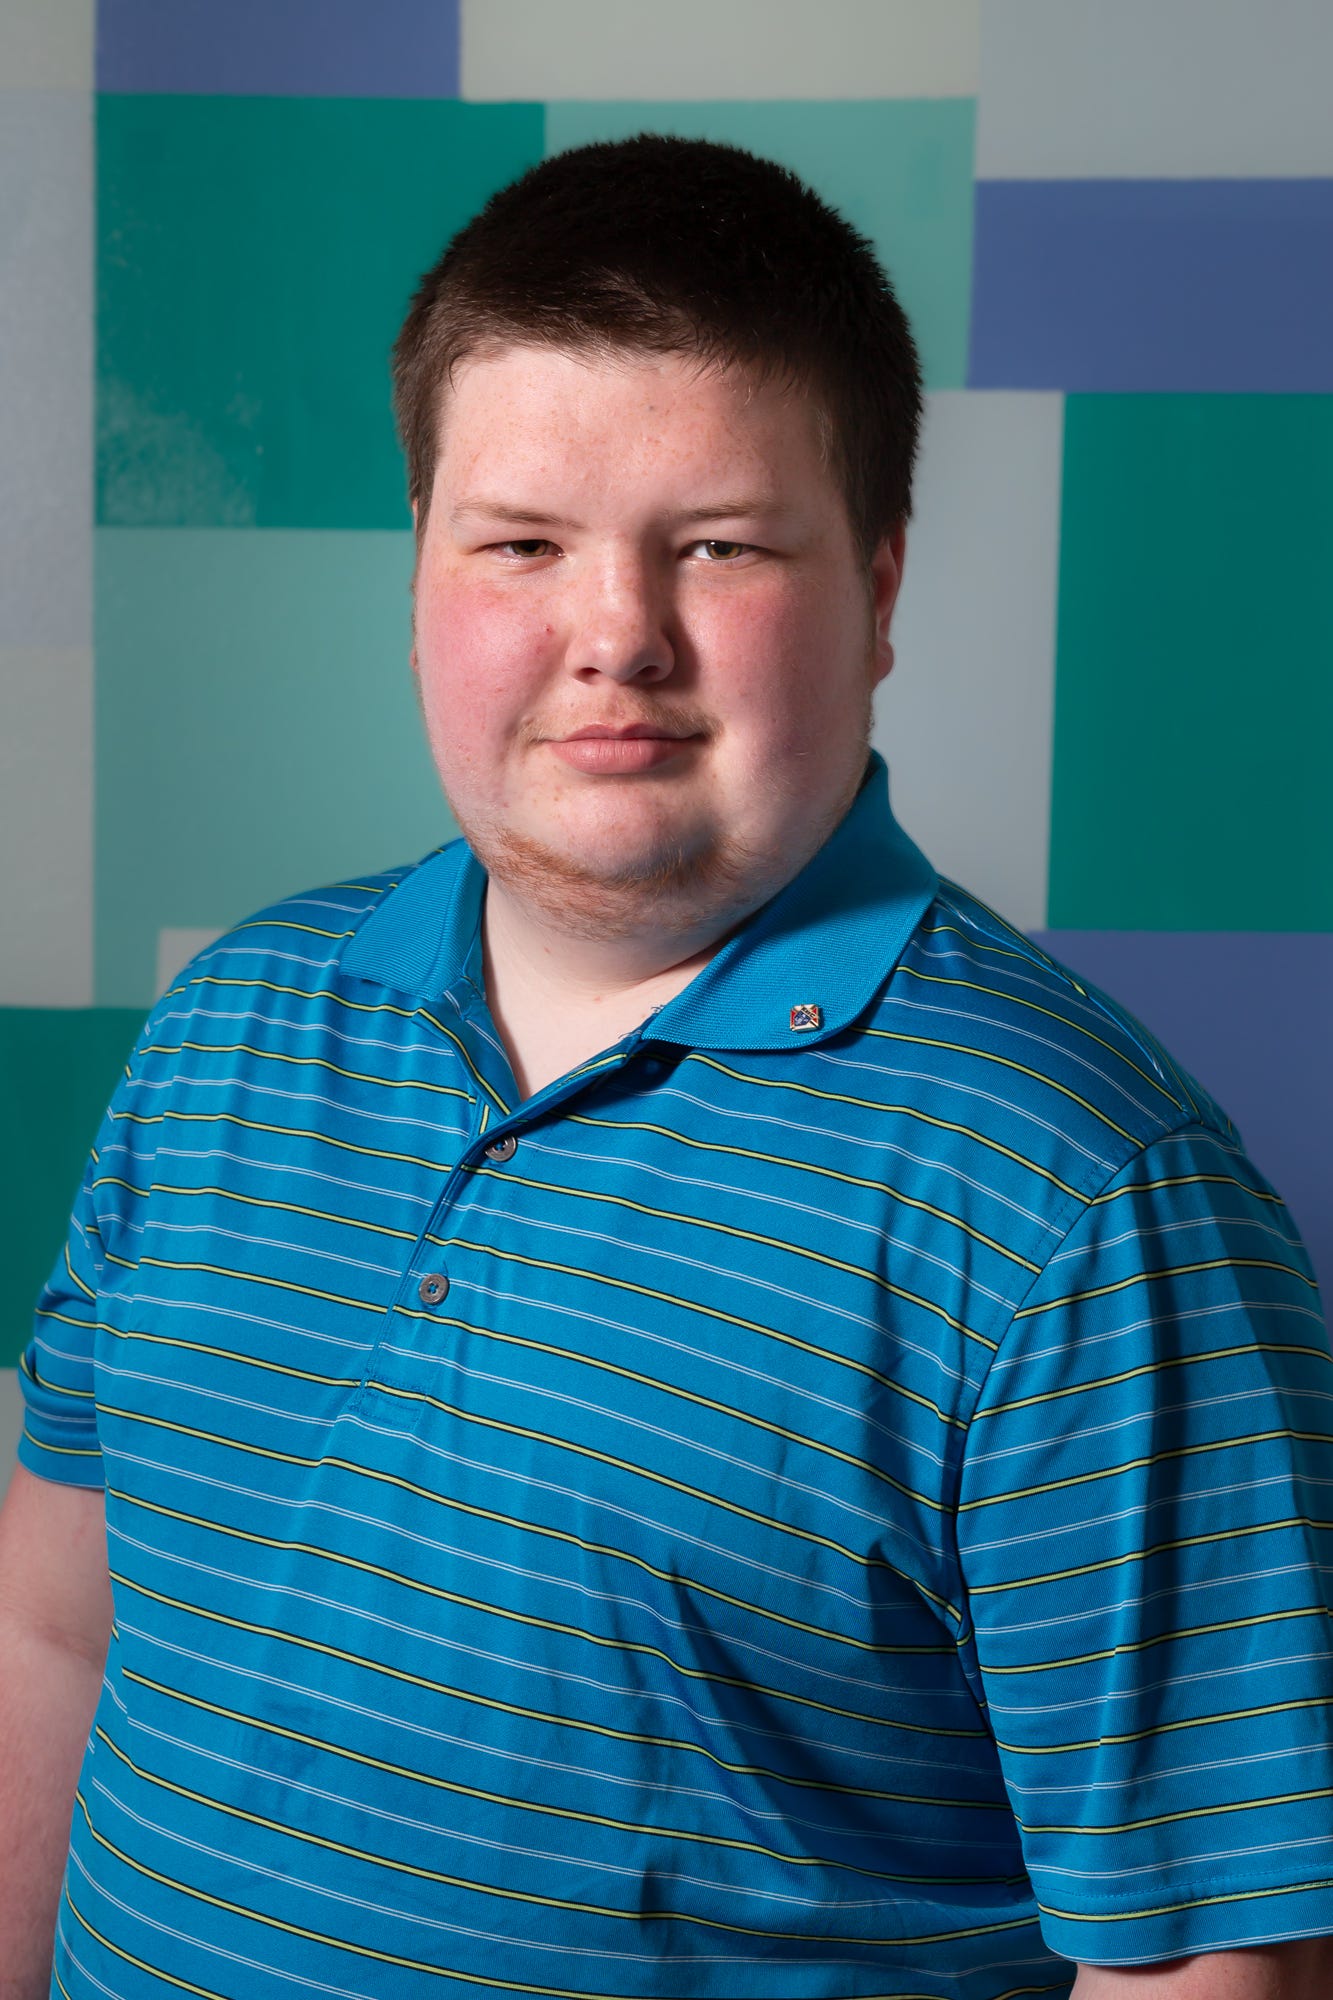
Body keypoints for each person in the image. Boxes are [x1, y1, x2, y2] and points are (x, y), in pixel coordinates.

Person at [1, 134, 1330, 2000]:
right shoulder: (230, 1024)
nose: (613, 636)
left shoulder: (1084, 1207)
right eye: (522, 546)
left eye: (717, 546)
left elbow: (1207, 1974)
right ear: (419, 578)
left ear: (876, 590)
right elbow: (57, 1633)